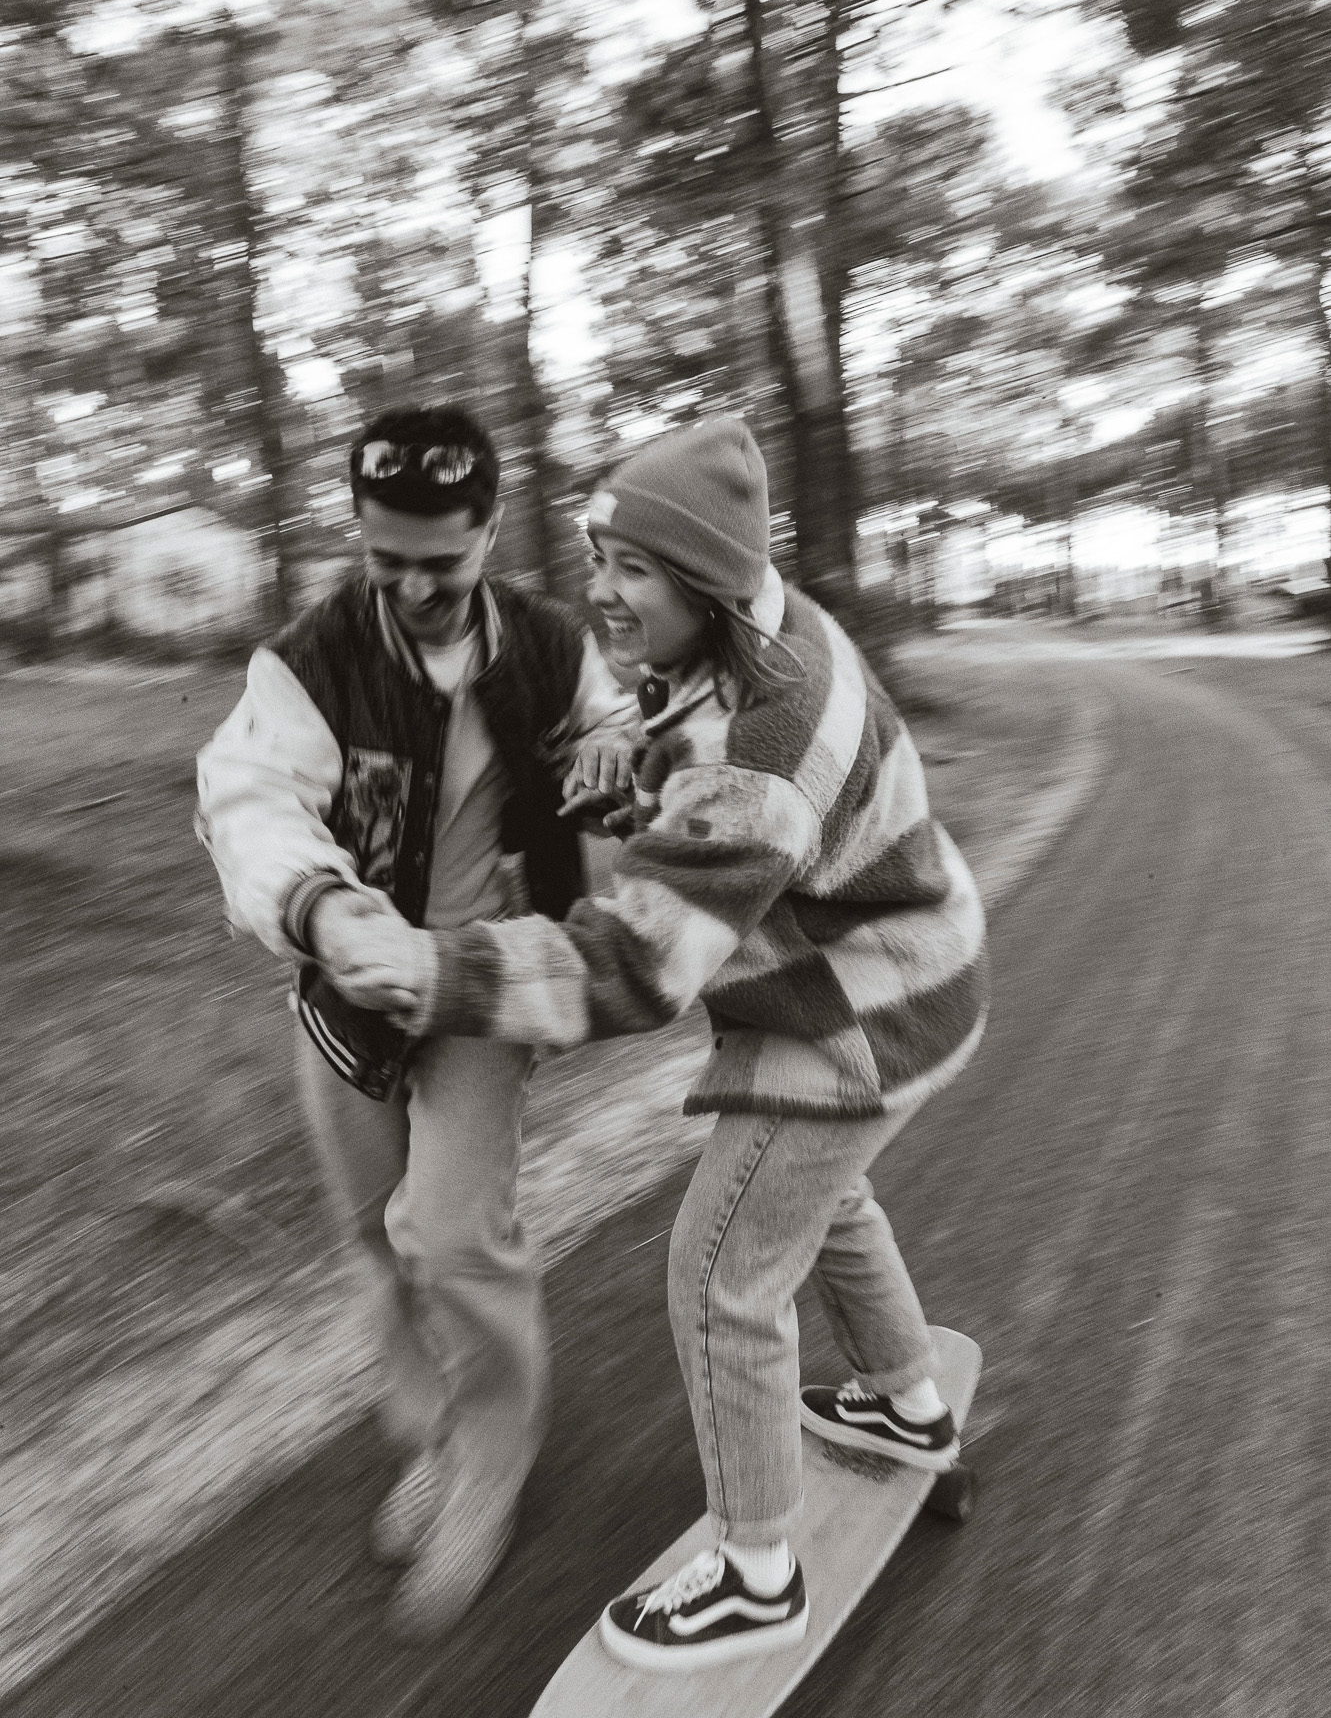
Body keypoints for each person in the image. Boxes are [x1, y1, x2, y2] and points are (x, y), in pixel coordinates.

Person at [340, 414, 990, 1671]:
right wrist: (629, 778)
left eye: (632, 567)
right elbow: (697, 749)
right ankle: (907, 1401)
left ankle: (755, 1570)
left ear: (699, 575)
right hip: (907, 974)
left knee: (716, 1269)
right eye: (599, 555)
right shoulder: (763, 623)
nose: (601, 586)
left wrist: (438, 967)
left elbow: (634, 963)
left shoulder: (766, 746)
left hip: (859, 1013)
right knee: (819, 1191)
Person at [195, 403, 638, 1639]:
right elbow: (249, 796)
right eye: (385, 560)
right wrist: (319, 907)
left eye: (441, 562)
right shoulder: (310, 659)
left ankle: (492, 1456)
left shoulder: (547, 642)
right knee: (369, 1236)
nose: (413, 588)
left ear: (489, 531)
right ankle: (429, 1433)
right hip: (343, 978)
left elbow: (609, 722)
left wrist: (607, 755)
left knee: (453, 1232)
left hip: (487, 977)